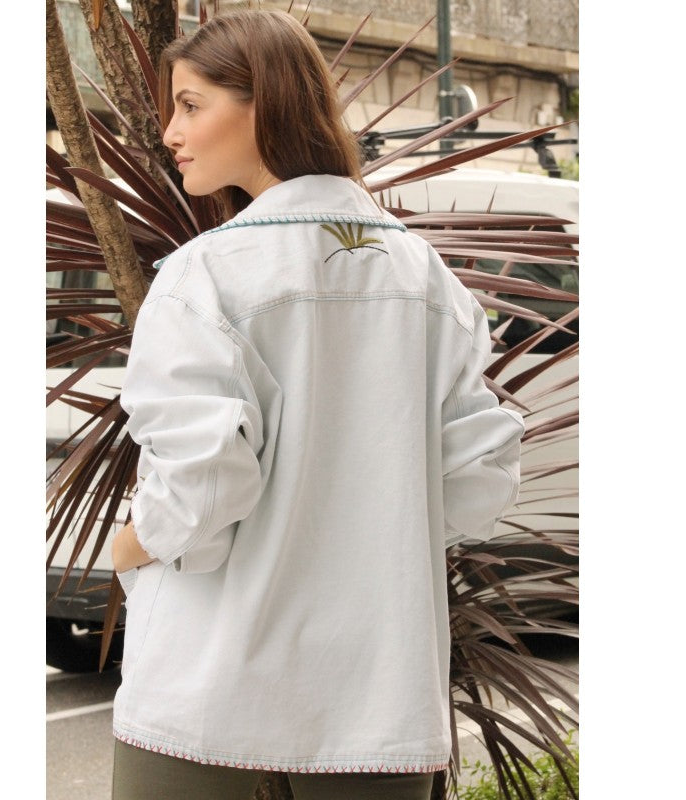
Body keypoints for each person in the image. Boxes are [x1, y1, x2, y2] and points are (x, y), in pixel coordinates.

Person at [110, 9, 524, 800]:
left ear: (262, 103)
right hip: (376, 696)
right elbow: (478, 481)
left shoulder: (207, 273)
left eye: (191, 105)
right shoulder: (425, 274)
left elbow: (203, 485)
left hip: (207, 686)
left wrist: (133, 543)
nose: (170, 132)